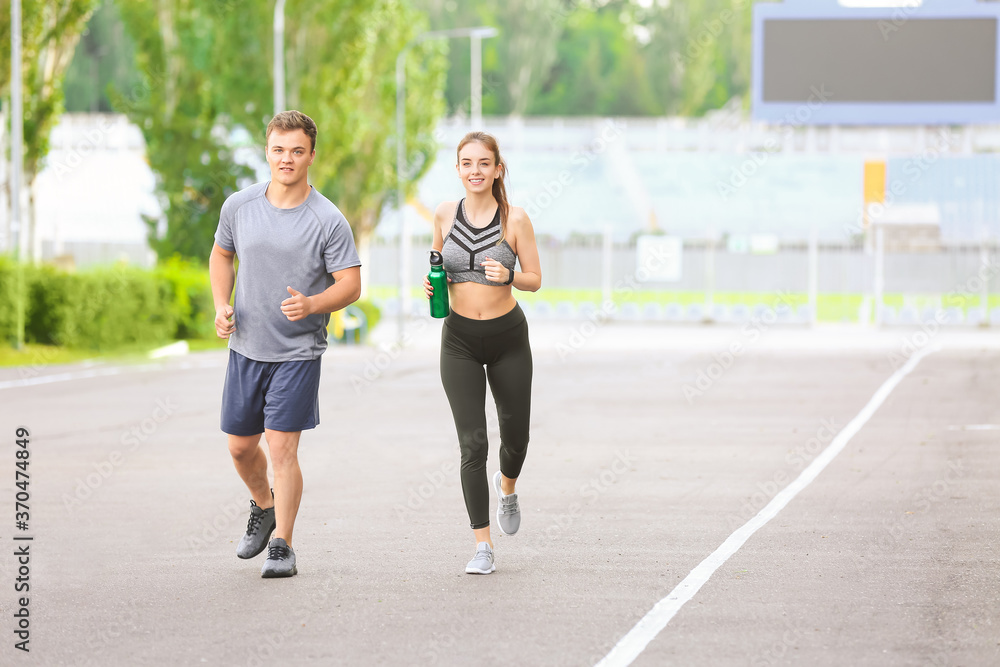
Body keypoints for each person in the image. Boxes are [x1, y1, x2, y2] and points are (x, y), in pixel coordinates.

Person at [209, 110, 361, 578]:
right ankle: (264, 504)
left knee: (281, 449)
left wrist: (314, 304)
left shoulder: (328, 219)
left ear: (311, 155)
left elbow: (351, 285)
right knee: (239, 447)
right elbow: (221, 254)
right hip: (245, 348)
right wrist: (220, 304)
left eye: (297, 151)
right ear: (267, 152)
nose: (287, 159)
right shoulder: (239, 205)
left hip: (297, 353)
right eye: (278, 150)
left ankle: (283, 545)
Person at [423, 131, 542, 574]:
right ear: (458, 170)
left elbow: (536, 278)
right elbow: (438, 263)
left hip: (508, 337)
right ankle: (482, 546)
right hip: (459, 341)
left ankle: (507, 487)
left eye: (483, 163)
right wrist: (431, 283)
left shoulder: (515, 219)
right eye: (466, 163)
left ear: (497, 169)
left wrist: (509, 274)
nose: (475, 171)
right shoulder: (442, 214)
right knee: (472, 442)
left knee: (516, 438)